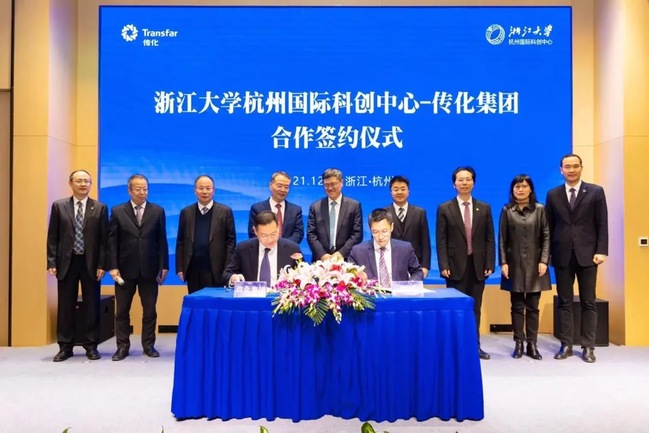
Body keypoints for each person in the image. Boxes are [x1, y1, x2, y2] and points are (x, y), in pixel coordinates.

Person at [546, 153, 608, 363]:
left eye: (575, 166)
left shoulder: (596, 191)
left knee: (588, 301)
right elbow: (549, 227)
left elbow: (602, 224)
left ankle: (588, 346)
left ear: (581, 167)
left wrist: (602, 250)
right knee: (564, 302)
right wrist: (548, 254)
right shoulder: (553, 194)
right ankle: (566, 345)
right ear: (561, 170)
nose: (571, 170)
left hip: (588, 255)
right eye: (567, 167)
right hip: (561, 255)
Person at [46, 170, 108, 362]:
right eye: (79, 181)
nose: (83, 184)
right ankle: (65, 346)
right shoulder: (59, 206)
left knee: (92, 305)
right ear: (71, 183)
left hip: (91, 263)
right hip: (67, 262)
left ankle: (91, 345)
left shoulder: (100, 208)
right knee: (66, 305)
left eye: (86, 181)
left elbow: (104, 240)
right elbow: (53, 236)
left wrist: (102, 264)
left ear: (91, 184)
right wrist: (51, 261)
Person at [436, 166, 495, 360]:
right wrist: (443, 265)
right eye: (460, 180)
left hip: (478, 266)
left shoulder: (484, 208)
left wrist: (490, 263)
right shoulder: (445, 208)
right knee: (456, 308)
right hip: (454, 267)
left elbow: (489, 238)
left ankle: (474, 346)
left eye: (468, 179)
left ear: (473, 183)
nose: (464, 183)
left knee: (475, 308)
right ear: (454, 184)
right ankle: (455, 347)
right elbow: (441, 239)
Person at [108, 174, 169, 361]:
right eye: (138, 189)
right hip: (124, 270)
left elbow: (162, 240)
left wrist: (164, 266)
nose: (142, 192)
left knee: (150, 310)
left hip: (150, 269)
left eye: (145, 189)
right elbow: (112, 242)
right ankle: (122, 346)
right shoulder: (118, 211)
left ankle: (148, 345)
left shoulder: (157, 211)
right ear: (129, 190)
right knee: (122, 311)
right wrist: (113, 267)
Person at [498, 174, 551, 360]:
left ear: (530, 189)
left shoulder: (540, 209)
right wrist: (503, 262)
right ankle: (519, 343)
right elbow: (502, 239)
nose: (520, 190)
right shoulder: (507, 210)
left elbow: (546, 236)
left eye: (524, 186)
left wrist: (544, 261)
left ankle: (532, 344)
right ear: (512, 190)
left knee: (533, 307)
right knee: (517, 306)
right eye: (517, 187)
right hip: (514, 265)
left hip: (537, 265)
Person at [176, 174, 236, 293]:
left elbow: (231, 242)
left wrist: (228, 269)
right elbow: (180, 242)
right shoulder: (186, 213)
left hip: (217, 270)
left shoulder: (225, 212)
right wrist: (180, 268)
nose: (204, 191)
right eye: (201, 188)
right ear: (195, 191)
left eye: (208, 188)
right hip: (193, 269)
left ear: (213, 191)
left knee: (216, 302)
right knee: (196, 301)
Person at [224, 211, 302, 286]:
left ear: (278, 227)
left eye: (273, 234)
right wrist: (234, 278)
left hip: (280, 294)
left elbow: (303, 276)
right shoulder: (243, 249)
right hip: (253, 294)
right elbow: (227, 274)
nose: (269, 240)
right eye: (264, 236)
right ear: (255, 231)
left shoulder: (292, 249)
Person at [348, 208, 423, 285]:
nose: (380, 237)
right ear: (370, 229)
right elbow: (349, 276)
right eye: (375, 232)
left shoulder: (405, 249)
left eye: (384, 231)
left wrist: (410, 285)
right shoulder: (358, 251)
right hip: (371, 292)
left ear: (391, 227)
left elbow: (417, 272)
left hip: (399, 292)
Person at [307, 168, 362, 261]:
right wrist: (322, 254)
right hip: (321, 261)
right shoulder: (315, 207)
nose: (330, 188)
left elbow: (357, 234)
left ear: (341, 182)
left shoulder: (354, 206)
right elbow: (311, 234)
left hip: (346, 259)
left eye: (333, 184)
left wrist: (341, 253)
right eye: (326, 185)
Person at [386, 175, 431, 278]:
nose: (399, 192)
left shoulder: (420, 213)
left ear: (408, 191)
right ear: (391, 192)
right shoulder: (384, 213)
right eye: (396, 189)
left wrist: (425, 266)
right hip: (391, 263)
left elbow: (425, 241)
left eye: (403, 189)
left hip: (415, 264)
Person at [248, 171, 303, 244]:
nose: (283, 190)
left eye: (286, 187)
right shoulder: (257, 208)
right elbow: (253, 233)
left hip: (288, 249)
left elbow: (298, 233)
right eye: (279, 186)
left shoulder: (296, 210)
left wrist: (283, 246)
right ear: (270, 185)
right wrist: (270, 245)